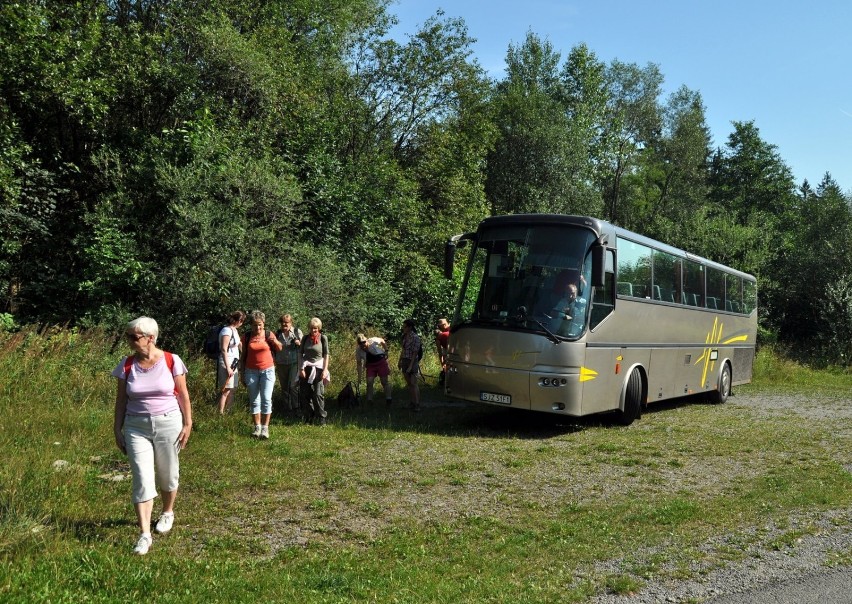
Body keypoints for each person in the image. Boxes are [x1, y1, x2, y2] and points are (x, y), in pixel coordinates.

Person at [112, 317, 192, 556]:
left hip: (169, 422)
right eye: (128, 336)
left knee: (168, 472)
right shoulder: (126, 365)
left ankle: (167, 511)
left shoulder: (171, 361)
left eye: (134, 337)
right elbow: (121, 400)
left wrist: (188, 423)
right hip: (136, 426)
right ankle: (144, 534)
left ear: (151, 338)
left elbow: (183, 395)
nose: (130, 341)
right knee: (141, 477)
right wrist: (117, 428)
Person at [239, 310, 282, 439]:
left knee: (266, 399)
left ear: (264, 323)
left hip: (267, 370)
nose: (257, 327)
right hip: (251, 371)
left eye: (259, 324)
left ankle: (265, 429)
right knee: (254, 401)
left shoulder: (269, 334)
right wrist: (242, 373)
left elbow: (280, 348)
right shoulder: (246, 337)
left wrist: (275, 341)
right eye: (254, 325)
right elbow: (243, 356)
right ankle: (257, 428)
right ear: (251, 325)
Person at [299, 317, 330, 425]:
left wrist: (325, 370)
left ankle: (322, 418)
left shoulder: (323, 338)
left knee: (318, 394)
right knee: (304, 394)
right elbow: (300, 354)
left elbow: (326, 355)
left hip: (318, 368)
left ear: (319, 328)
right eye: (312, 328)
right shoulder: (305, 338)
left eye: (316, 328)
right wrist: (301, 369)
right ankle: (309, 416)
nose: (313, 330)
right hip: (306, 367)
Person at [217, 310, 245, 414]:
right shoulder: (226, 331)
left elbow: (239, 345)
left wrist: (246, 354)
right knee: (226, 390)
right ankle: (220, 413)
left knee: (232, 389)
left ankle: (229, 411)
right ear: (238, 320)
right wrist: (228, 367)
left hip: (234, 362)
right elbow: (224, 349)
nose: (242, 323)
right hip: (226, 363)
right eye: (241, 321)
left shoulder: (235, 330)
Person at [274, 314, 302, 414]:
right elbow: (273, 349)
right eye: (282, 322)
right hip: (281, 363)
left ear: (291, 323)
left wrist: (299, 343)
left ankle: (296, 408)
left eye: (287, 322)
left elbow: (304, 347)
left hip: (294, 363)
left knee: (293, 386)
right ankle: (287, 409)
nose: (284, 324)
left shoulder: (297, 332)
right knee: (284, 387)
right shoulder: (277, 334)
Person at [355, 333, 392, 405]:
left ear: (366, 340)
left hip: (381, 361)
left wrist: (386, 350)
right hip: (370, 365)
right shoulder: (358, 350)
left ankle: (389, 399)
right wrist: (359, 377)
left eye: (364, 342)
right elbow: (359, 364)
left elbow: (382, 340)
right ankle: (369, 400)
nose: (363, 344)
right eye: (360, 343)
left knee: (384, 381)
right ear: (358, 344)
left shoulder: (372, 341)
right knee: (369, 382)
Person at [399, 318, 421, 412]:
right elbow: (403, 349)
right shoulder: (404, 336)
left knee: (413, 383)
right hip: (404, 360)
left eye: (404, 327)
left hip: (412, 361)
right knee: (409, 384)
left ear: (410, 327)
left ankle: (417, 404)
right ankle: (412, 402)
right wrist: (399, 361)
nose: (403, 328)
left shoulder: (415, 338)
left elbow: (415, 353)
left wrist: (411, 366)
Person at [434, 318, 450, 385]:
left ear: (443, 325)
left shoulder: (440, 337)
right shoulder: (454, 330)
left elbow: (440, 353)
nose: (440, 328)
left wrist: (442, 364)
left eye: (440, 327)